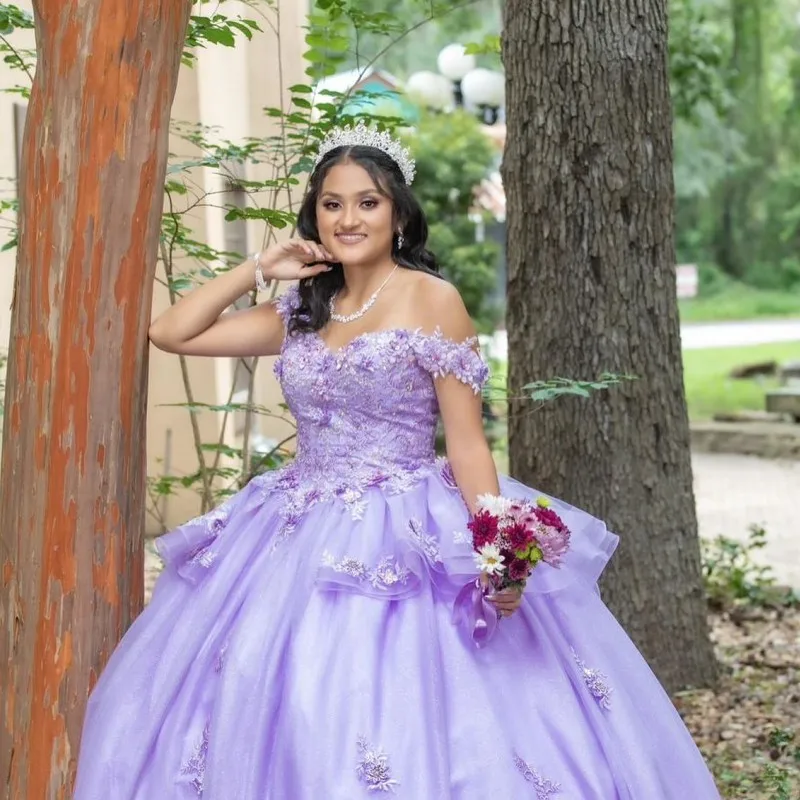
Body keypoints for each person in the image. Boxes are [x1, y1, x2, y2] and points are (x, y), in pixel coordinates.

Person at [74, 122, 720, 799]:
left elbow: (467, 442)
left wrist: (498, 545)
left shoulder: (431, 299)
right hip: (291, 527)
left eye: (367, 202)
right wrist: (262, 267)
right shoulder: (301, 306)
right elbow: (170, 332)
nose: (347, 218)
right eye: (331, 203)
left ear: (399, 215)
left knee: (407, 702)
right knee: (273, 689)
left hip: (407, 522)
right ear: (313, 214)